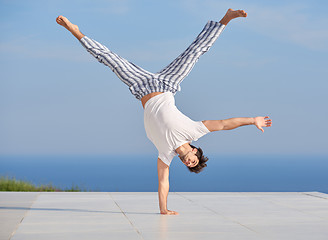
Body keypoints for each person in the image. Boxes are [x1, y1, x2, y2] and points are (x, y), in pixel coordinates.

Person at [56, 8, 272, 215]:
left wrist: (163, 209)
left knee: (109, 59)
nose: (190, 163)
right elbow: (225, 124)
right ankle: (226, 18)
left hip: (141, 87)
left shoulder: (165, 154)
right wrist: (253, 120)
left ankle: (75, 31)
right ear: (196, 152)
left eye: (190, 166)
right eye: (194, 161)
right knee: (195, 51)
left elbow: (163, 182)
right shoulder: (194, 132)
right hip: (167, 83)